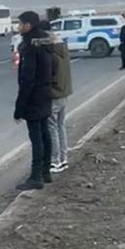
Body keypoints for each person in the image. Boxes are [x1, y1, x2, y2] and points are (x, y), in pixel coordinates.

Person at [14, 11, 53, 191]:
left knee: (36, 137)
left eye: (20, 24)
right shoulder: (45, 42)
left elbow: (27, 79)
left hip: (35, 96)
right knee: (45, 133)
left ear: (28, 25)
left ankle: (36, 176)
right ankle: (46, 171)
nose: (19, 27)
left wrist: (19, 107)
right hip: (45, 93)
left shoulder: (30, 46)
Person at [47, 30, 72, 174]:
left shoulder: (52, 56)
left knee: (52, 128)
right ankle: (63, 158)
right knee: (61, 126)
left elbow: (49, 77)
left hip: (54, 95)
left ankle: (55, 161)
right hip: (64, 94)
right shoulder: (64, 52)